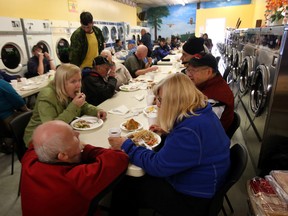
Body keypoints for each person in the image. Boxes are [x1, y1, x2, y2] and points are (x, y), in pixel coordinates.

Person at [108, 73, 231, 216]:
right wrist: (170, 130)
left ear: (174, 101)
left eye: (159, 100)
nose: (157, 104)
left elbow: (158, 166)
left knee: (124, 185)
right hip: (204, 183)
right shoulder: (200, 113)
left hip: (192, 200)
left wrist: (126, 145)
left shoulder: (189, 132)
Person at [21, 120, 129, 216]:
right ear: (63, 155)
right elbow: (119, 158)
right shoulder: (75, 180)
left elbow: (33, 144)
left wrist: (74, 147)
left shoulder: (29, 159)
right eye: (73, 136)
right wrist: (84, 148)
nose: (78, 133)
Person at [23, 63, 107, 147]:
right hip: (38, 140)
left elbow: (84, 106)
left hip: (60, 133)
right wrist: (74, 105)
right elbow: (52, 128)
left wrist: (97, 110)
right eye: (73, 81)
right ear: (61, 83)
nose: (79, 85)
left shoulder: (68, 91)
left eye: (79, 80)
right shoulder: (47, 96)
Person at [186, 53, 234, 131]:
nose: (188, 74)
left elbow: (203, 127)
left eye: (193, 71)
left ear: (209, 72)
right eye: (188, 70)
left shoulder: (216, 97)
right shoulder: (207, 83)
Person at [0, 78, 29, 153]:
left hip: (2, 125)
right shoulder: (2, 84)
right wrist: (27, 111)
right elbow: (18, 101)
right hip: (8, 120)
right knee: (34, 117)